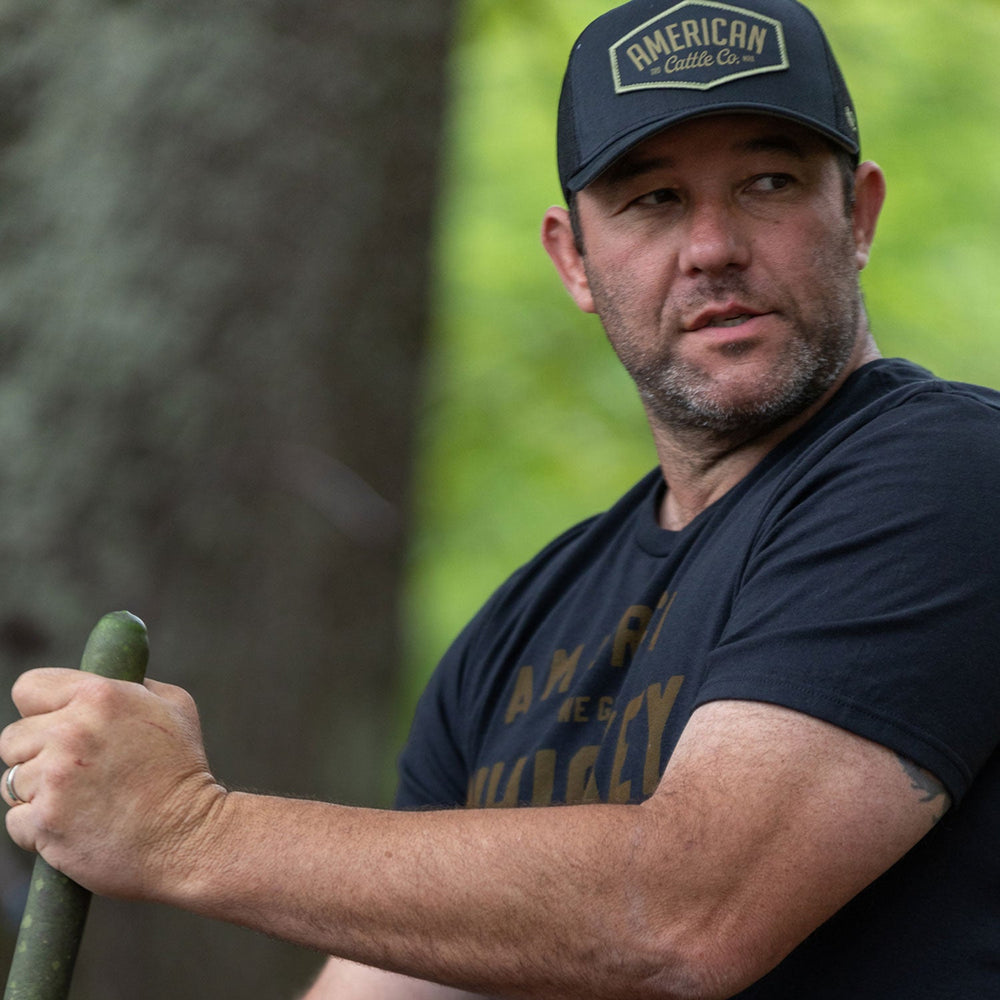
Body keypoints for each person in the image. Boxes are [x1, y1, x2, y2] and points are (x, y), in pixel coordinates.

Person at [3, 0, 999, 996]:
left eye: (767, 182)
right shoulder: (524, 626)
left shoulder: (948, 472)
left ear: (857, 214)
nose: (710, 246)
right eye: (651, 199)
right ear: (572, 258)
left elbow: (691, 910)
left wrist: (183, 828)